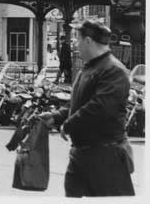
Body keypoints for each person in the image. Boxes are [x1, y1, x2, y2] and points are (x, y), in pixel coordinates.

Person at [40, 20, 135, 197]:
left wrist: (68, 125)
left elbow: (100, 107)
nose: (76, 44)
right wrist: (57, 117)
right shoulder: (90, 67)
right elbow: (79, 102)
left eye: (78, 39)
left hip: (107, 155)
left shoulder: (114, 70)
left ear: (88, 41)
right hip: (83, 154)